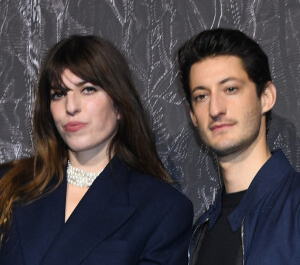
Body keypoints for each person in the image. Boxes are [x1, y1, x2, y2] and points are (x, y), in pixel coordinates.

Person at [0, 35, 193, 264]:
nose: (71, 107)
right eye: (59, 94)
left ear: (119, 105)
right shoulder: (9, 183)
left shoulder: (163, 208)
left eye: (88, 89)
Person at [177, 28, 300, 265]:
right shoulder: (198, 234)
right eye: (202, 96)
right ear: (193, 116)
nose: (215, 109)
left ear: (266, 97)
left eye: (230, 89)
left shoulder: (294, 208)